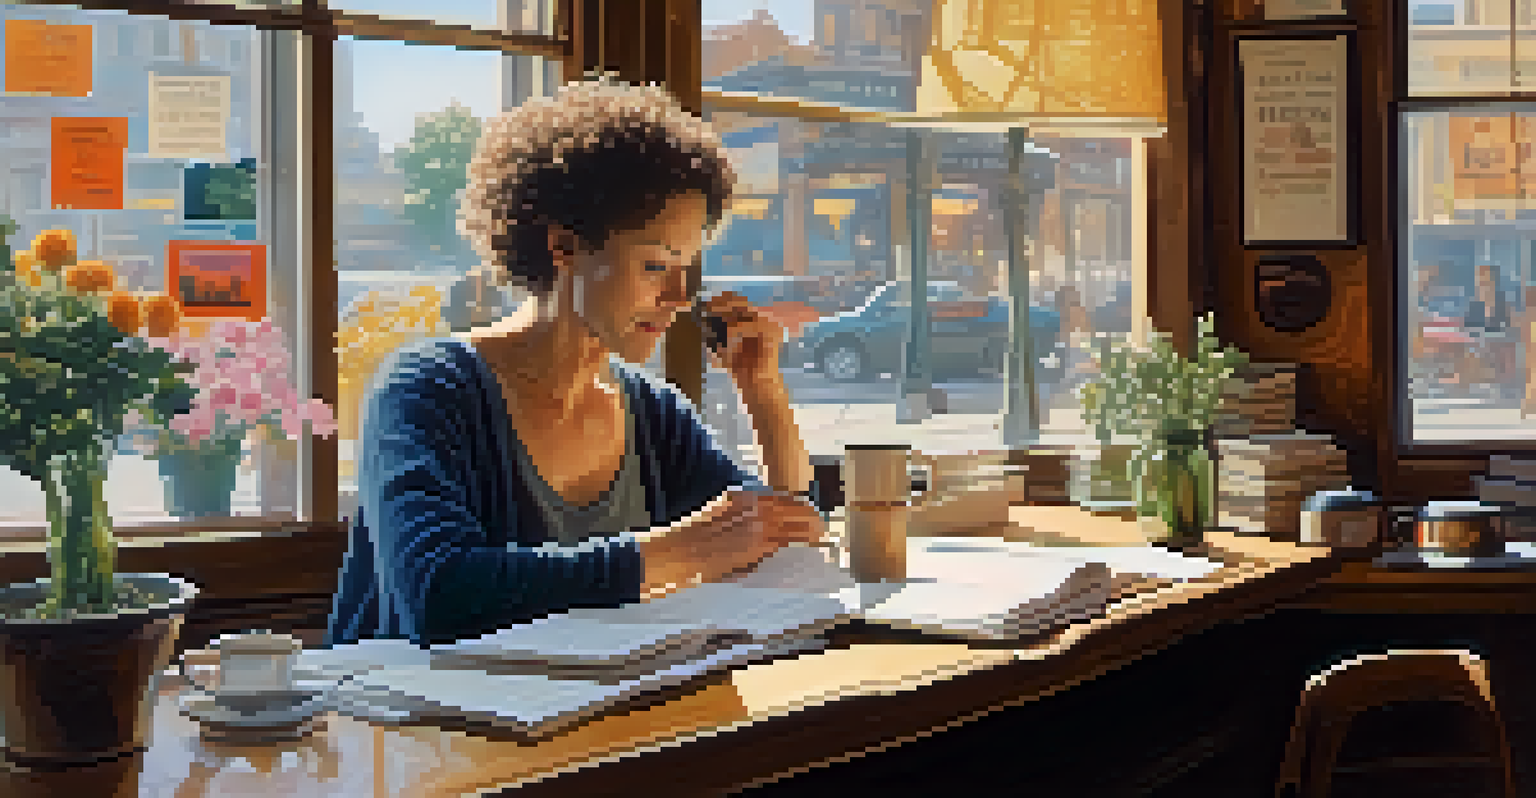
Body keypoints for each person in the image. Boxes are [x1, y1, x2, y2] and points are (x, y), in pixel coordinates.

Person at [327, 78, 825, 648]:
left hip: (595, 728)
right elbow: (440, 594)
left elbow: (782, 540)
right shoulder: (425, 388)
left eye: (689, 266)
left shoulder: (654, 412)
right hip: (413, 730)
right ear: (564, 248)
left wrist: (763, 392)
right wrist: (685, 550)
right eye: (657, 266)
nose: (682, 295)